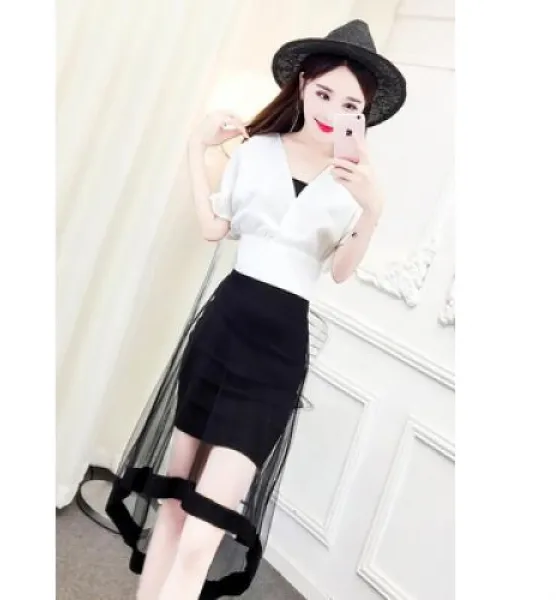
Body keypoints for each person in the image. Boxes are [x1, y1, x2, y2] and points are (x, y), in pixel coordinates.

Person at [105, 18, 406, 600]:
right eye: (324, 93)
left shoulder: (355, 185)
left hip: (277, 355)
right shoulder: (257, 152)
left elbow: (340, 271)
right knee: (174, 506)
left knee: (204, 535)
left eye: (350, 105)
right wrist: (196, 147)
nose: (333, 111)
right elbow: (213, 227)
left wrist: (372, 211)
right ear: (302, 86)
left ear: (363, 115)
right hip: (222, 331)